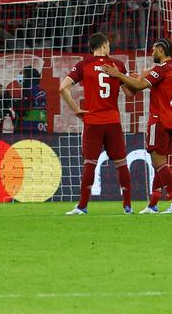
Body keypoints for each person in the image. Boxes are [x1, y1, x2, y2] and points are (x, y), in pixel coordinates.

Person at [102, 39, 172, 214]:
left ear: (162, 50)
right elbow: (142, 86)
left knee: (159, 162)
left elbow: (139, 87)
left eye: (154, 50)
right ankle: (153, 204)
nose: (151, 53)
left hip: (159, 119)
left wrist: (118, 75)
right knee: (160, 164)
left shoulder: (162, 68)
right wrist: (137, 78)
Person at [59, 32, 133, 215]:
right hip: (113, 120)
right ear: (105, 45)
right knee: (121, 163)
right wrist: (131, 79)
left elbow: (62, 88)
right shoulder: (118, 65)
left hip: (92, 121)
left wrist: (76, 109)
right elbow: (130, 94)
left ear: (92, 48)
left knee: (90, 163)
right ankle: (127, 206)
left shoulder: (84, 65)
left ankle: (82, 206)